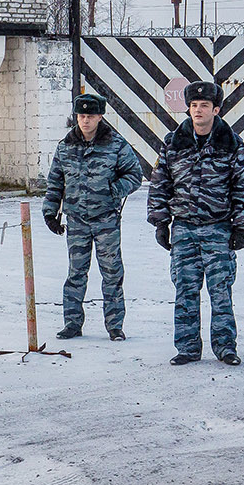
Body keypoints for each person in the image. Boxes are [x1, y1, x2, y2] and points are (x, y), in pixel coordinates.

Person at [148, 80, 244, 367]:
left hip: (218, 227)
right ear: (188, 109)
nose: (198, 110)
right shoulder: (173, 142)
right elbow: (161, 183)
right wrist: (161, 222)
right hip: (184, 227)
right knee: (185, 289)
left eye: (204, 106)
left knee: (221, 290)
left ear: (216, 109)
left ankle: (225, 347)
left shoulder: (231, 143)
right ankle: (187, 347)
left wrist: (242, 226)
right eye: (194, 106)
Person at [42, 93, 144, 341]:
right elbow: (56, 181)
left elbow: (134, 175)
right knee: (76, 273)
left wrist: (113, 191)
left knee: (112, 273)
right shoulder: (65, 146)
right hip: (76, 219)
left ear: (100, 117)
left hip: (106, 219)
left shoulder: (115, 145)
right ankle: (72, 323)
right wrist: (50, 211)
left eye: (90, 116)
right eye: (81, 116)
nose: (85, 121)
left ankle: (114, 325)